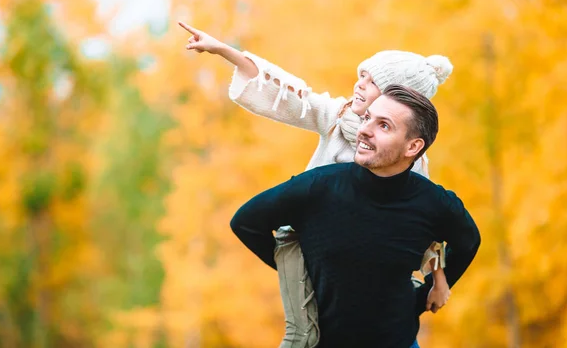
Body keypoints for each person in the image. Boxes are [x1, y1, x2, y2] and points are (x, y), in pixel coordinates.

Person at [179, 22, 452, 347]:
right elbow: (288, 93)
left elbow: (427, 228)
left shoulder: (412, 161)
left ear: (399, 99)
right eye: (361, 74)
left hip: (369, 261)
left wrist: (439, 280)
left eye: (372, 80)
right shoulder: (336, 116)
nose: (359, 84)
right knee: (304, 334)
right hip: (313, 248)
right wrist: (225, 51)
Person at [230, 85, 481, 348]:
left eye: (383, 126)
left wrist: (428, 292)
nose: (364, 130)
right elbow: (246, 222)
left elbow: (468, 242)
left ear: (413, 146)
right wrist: (300, 274)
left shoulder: (434, 202)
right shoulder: (318, 187)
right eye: (367, 118)